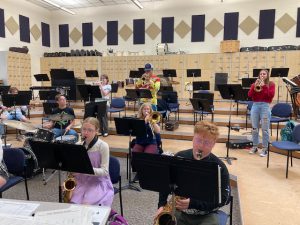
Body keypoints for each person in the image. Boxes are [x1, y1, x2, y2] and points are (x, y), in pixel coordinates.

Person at [155, 121, 230, 225]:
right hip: (179, 210)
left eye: (207, 143)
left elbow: (224, 199)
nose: (201, 146)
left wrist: (193, 203)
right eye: (198, 140)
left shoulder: (219, 168)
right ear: (193, 138)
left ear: (213, 144)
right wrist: (162, 206)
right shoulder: (180, 157)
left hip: (206, 214)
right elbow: (165, 185)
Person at [70, 117, 114, 206]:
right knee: (72, 204)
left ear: (96, 131)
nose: (86, 132)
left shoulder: (103, 146)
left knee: (85, 205)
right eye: (84, 129)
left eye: (90, 130)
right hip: (81, 181)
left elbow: (105, 171)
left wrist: (86, 169)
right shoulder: (78, 145)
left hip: (98, 182)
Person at [248, 69, 275, 157]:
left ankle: (264, 149)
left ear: (267, 75)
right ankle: (255, 146)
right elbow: (249, 95)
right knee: (254, 128)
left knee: (265, 129)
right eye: (261, 74)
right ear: (259, 75)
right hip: (255, 106)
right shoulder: (254, 84)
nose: (262, 75)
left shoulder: (271, 84)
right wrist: (254, 86)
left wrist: (264, 87)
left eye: (264, 74)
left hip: (265, 106)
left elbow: (271, 95)